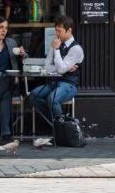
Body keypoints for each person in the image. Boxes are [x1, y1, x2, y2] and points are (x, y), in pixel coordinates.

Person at [28, 15, 83, 147]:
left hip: (69, 84)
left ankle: (60, 133)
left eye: (59, 30)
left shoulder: (76, 49)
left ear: (69, 31)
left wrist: (57, 52)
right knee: (33, 96)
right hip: (53, 82)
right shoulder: (56, 43)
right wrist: (61, 67)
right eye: (56, 30)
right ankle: (58, 121)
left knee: (52, 99)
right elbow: (48, 66)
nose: (57, 33)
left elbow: (62, 69)